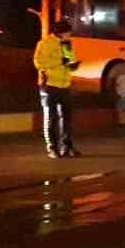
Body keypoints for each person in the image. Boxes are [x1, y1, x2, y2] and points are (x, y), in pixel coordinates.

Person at [33, 19, 81, 158]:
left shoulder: (66, 44)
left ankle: (67, 147)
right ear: (60, 33)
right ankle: (52, 148)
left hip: (65, 85)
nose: (70, 35)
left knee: (67, 119)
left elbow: (68, 61)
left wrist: (73, 66)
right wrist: (60, 61)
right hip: (49, 85)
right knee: (51, 118)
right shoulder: (45, 43)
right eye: (68, 33)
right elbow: (39, 62)